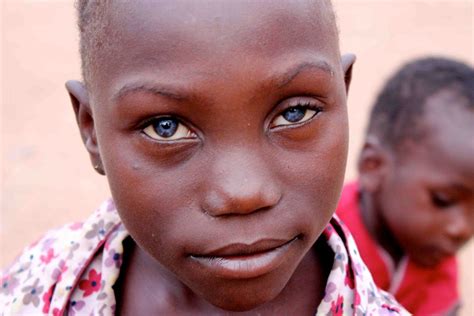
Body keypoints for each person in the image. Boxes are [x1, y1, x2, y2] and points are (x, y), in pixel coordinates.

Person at [1, 1, 407, 314]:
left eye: (294, 113)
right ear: (90, 129)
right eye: (166, 127)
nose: (243, 193)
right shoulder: (40, 279)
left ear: (343, 93)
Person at [336, 57, 474, 315]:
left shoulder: (435, 260)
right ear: (373, 166)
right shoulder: (325, 239)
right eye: (443, 200)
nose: (463, 228)